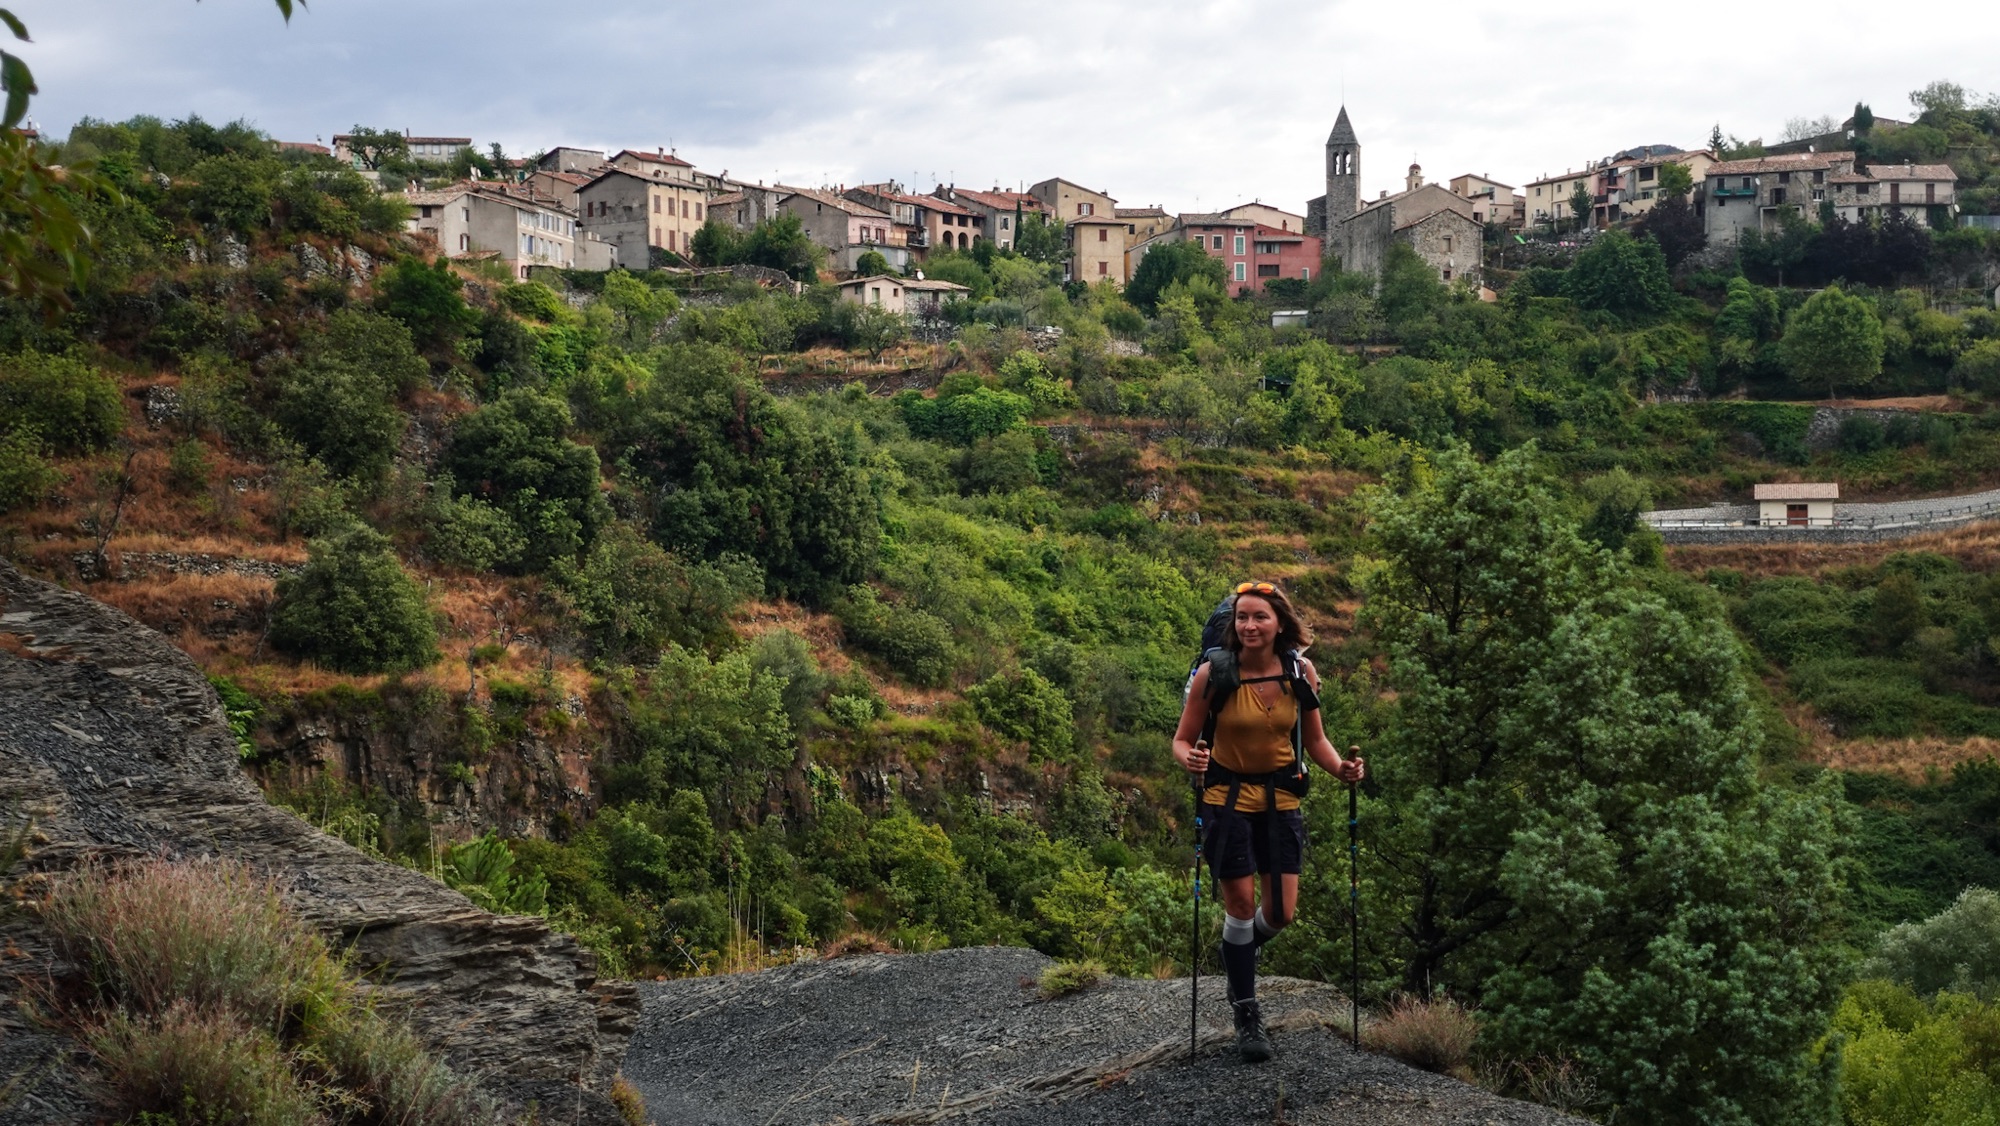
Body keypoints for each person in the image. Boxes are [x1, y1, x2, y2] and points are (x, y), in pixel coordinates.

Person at [1172, 581, 1364, 1063]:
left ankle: (1236, 953)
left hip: (1280, 798)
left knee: (1280, 913)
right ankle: (1247, 1012)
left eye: (1259, 617)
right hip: (1225, 797)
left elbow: (1314, 739)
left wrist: (1340, 768)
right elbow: (1182, 739)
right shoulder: (1212, 675)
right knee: (1239, 906)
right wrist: (1190, 761)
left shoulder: (1300, 672)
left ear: (1280, 623)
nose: (1250, 626)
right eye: (1242, 618)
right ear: (1232, 625)